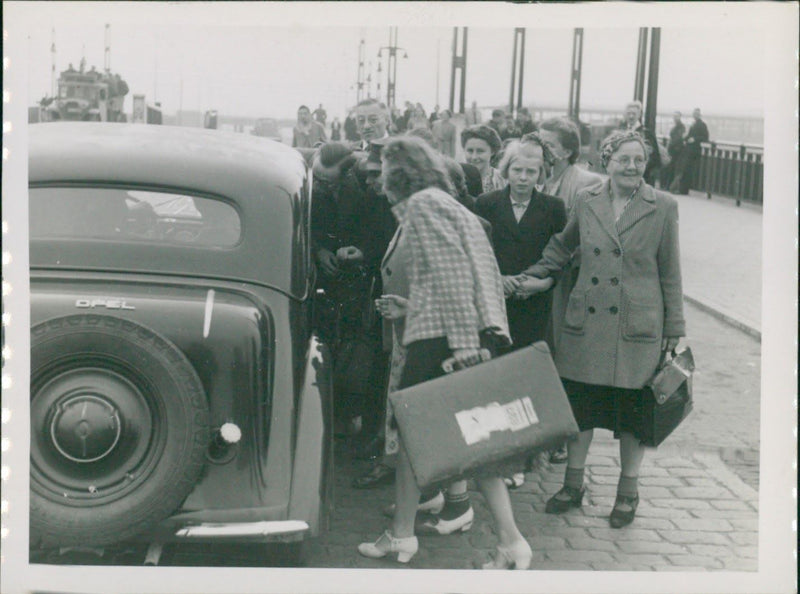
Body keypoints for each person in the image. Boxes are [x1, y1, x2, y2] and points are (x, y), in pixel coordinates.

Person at [357, 137, 533, 569]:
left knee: (420, 436)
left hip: (447, 344)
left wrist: (463, 348)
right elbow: (469, 279)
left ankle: (409, 537)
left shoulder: (423, 206)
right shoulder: (448, 204)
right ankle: (505, 542)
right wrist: (416, 309)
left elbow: (454, 278)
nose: (378, 179)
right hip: (463, 335)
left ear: (399, 172)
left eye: (382, 170)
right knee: (474, 442)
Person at [521, 129, 685, 529]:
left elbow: (670, 269)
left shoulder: (662, 205)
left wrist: (675, 324)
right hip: (587, 322)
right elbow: (562, 246)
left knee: (633, 417)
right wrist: (537, 274)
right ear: (605, 162)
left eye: (638, 160)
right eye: (623, 159)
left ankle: (628, 493)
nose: (632, 167)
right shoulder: (586, 199)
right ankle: (572, 485)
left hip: (638, 323)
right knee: (581, 410)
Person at [474, 136, 567, 488]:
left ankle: (523, 458)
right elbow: (477, 249)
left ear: (541, 173)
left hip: (534, 305)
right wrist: (498, 279)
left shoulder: (553, 208)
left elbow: (562, 254)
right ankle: (494, 456)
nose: (524, 177)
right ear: (506, 169)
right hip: (495, 303)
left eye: (532, 171)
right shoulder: (487, 203)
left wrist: (542, 283)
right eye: (518, 169)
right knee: (494, 376)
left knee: (525, 380)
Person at [536, 117, 604, 464]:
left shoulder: (585, 183)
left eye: (547, 143)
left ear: (566, 150)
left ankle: (561, 434)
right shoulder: (535, 173)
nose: (541, 147)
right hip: (538, 276)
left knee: (561, 353)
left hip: (567, 280)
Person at [619, 100, 660, 186]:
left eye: (634, 114)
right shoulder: (621, 132)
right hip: (622, 177)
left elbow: (655, 158)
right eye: (628, 113)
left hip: (643, 178)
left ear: (639, 115)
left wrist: (639, 168)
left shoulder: (647, 133)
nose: (631, 116)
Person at [461, 125, 506, 193]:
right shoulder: (456, 180)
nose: (474, 157)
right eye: (470, 151)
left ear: (492, 151)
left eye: (480, 151)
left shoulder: (503, 180)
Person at [676, 108, 709, 195]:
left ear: (699, 115)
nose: (695, 115)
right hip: (689, 149)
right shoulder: (693, 124)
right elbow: (690, 135)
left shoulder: (702, 125)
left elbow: (705, 137)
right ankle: (682, 189)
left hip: (694, 150)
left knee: (687, 169)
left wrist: (694, 139)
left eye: (697, 114)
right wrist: (685, 138)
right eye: (694, 114)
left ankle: (684, 190)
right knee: (685, 169)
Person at [659, 111, 685, 191]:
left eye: (676, 116)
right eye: (674, 116)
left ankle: (668, 186)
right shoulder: (676, 126)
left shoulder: (681, 126)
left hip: (676, 150)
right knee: (670, 167)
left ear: (680, 117)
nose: (675, 118)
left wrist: (671, 144)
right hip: (673, 149)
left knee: (672, 167)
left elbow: (679, 138)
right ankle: (667, 185)